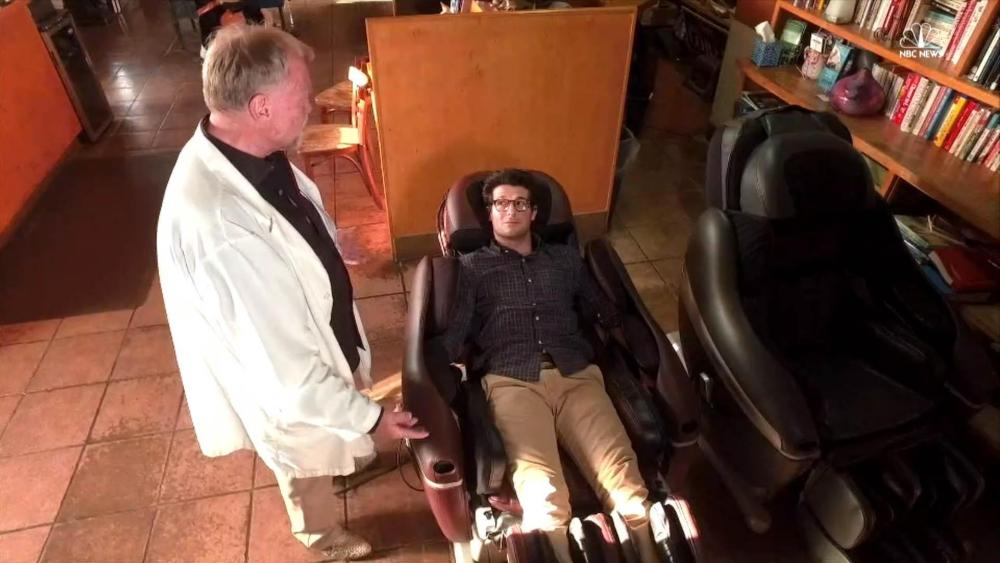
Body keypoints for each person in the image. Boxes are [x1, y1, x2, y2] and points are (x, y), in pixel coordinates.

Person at [156, 25, 427, 561]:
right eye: (301, 94)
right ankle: (320, 536)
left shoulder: (247, 147)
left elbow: (285, 214)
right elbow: (290, 375)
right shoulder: (222, 228)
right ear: (260, 107)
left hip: (314, 335)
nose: (310, 103)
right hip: (287, 383)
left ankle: (346, 446)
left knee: (336, 414)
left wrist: (328, 238)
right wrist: (373, 420)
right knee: (303, 458)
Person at [430, 169, 658, 562]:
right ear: (489, 213)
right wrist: (431, 378)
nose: (510, 211)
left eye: (520, 203)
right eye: (501, 203)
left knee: (628, 489)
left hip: (577, 376)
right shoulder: (472, 268)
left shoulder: (566, 260)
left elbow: (602, 311)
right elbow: (457, 330)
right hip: (511, 381)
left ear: (534, 212)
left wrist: (636, 340)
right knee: (545, 499)